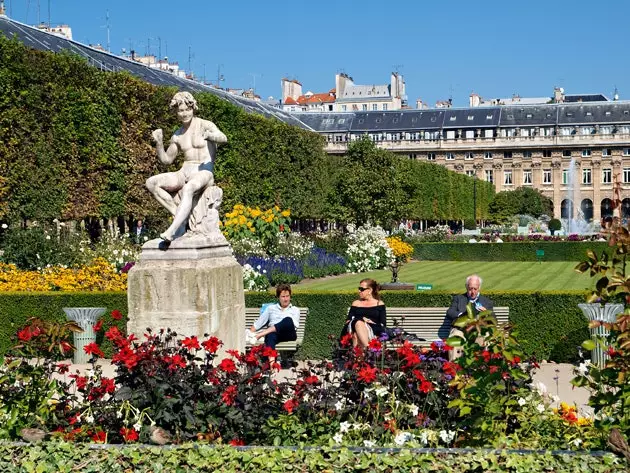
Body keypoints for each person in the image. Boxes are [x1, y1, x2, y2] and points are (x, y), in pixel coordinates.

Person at [147, 91, 228, 242]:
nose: (184, 114)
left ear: (193, 108)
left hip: (204, 171)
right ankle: (180, 216)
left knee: (189, 188)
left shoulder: (205, 125)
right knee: (151, 183)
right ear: (176, 112)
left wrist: (210, 136)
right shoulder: (177, 135)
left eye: (187, 109)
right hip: (184, 170)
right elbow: (166, 160)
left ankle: (172, 230)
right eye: (180, 111)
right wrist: (158, 143)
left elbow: (223, 138)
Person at [446, 274, 494, 360]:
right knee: (455, 337)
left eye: (475, 289)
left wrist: (486, 313)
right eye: (470, 288)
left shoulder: (486, 302)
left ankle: (481, 368)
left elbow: (494, 320)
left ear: (479, 287)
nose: (472, 291)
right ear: (466, 287)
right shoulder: (458, 299)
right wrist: (461, 315)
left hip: (478, 330)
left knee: (484, 338)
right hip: (460, 330)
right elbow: (450, 312)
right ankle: (454, 369)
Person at [248, 284, 299, 350]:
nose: (286, 299)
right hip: (275, 335)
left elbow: (294, 325)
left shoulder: (295, 310)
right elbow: (258, 324)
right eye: (283, 296)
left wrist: (260, 335)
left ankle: (259, 335)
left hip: (288, 334)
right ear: (278, 297)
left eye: (287, 296)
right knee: (270, 336)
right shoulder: (271, 308)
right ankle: (271, 360)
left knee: (288, 320)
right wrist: (249, 334)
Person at [344, 278, 386, 348]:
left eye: (361, 289)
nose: (359, 291)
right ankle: (368, 349)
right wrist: (362, 319)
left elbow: (383, 324)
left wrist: (368, 323)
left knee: (357, 335)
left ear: (369, 290)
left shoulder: (379, 303)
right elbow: (348, 321)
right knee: (358, 324)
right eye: (359, 288)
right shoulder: (356, 303)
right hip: (354, 331)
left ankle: (364, 354)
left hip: (373, 332)